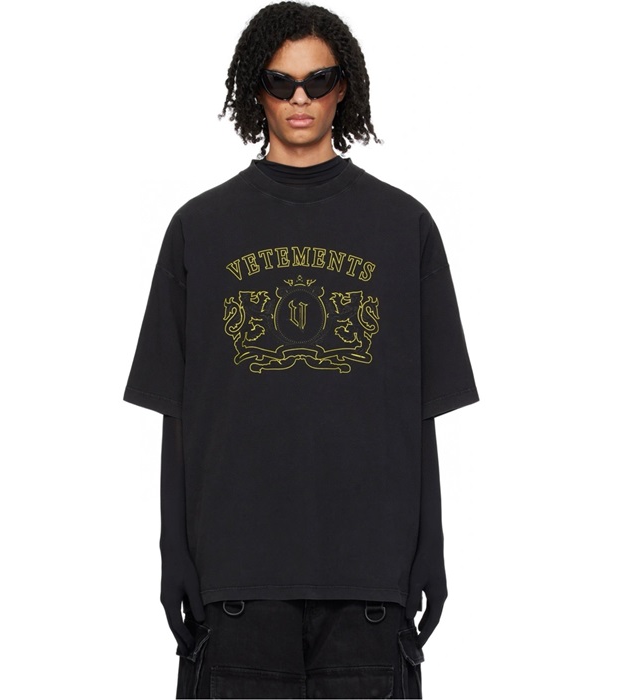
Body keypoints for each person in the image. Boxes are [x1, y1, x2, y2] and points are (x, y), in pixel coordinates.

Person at [123, 2, 479, 697]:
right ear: (253, 90)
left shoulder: (404, 227)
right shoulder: (199, 228)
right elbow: (177, 414)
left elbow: (422, 413)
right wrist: (174, 554)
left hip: (370, 584)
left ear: (344, 88)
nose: (299, 98)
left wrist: (431, 547)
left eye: (318, 80)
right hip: (235, 584)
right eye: (280, 81)